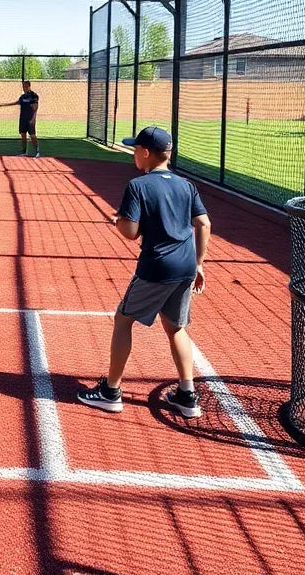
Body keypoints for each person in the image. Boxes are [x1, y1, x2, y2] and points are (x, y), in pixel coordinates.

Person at [77, 126, 211, 419]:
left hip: (156, 266)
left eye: (135, 149)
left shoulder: (139, 186)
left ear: (146, 153)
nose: (133, 153)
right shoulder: (186, 185)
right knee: (176, 327)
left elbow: (131, 232)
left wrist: (116, 221)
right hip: (186, 266)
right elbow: (203, 224)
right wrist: (199, 262)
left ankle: (111, 391)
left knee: (123, 319)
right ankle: (187, 395)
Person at [0, 80, 40, 157]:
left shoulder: (34, 95)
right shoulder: (23, 97)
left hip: (30, 120)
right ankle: (24, 151)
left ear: (29, 86)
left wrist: (31, 111)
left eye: (25, 86)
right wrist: (0, 105)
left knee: (32, 135)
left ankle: (37, 151)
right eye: (23, 87)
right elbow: (14, 103)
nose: (24, 88)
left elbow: (35, 107)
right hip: (22, 119)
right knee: (23, 134)